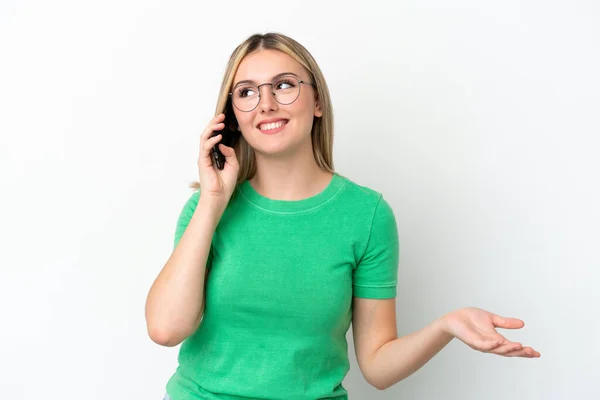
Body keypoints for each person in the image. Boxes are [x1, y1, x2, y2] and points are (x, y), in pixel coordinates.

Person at [145, 32, 540, 400]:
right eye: (246, 92)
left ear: (317, 102)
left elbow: (378, 366)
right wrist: (213, 200)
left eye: (283, 85)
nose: (265, 103)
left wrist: (446, 327)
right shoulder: (206, 209)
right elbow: (165, 329)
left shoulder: (366, 215)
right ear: (233, 117)